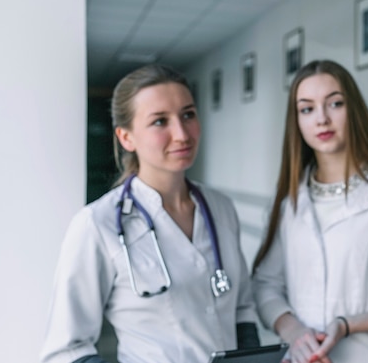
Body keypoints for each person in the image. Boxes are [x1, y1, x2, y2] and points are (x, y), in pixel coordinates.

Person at [40, 65, 260, 363]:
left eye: (188, 115)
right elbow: (66, 350)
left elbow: (242, 309)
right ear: (126, 137)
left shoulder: (220, 208)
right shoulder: (96, 224)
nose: (182, 134)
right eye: (160, 121)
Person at [252, 60, 368, 363]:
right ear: (297, 121)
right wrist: (295, 333)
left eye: (334, 104)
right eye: (307, 109)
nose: (321, 119)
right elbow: (266, 285)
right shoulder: (288, 202)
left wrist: (345, 325)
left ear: (353, 110)